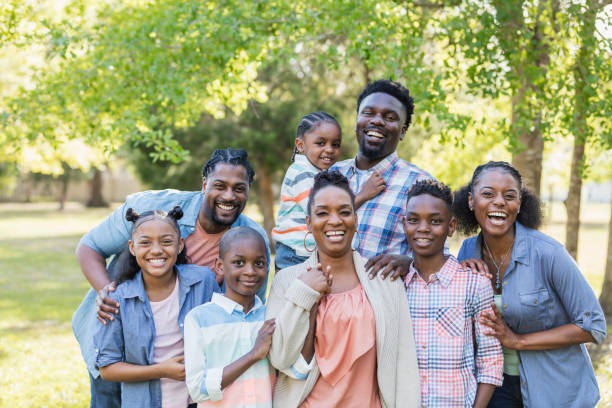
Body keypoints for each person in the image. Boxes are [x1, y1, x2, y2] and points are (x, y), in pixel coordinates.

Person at [72, 148, 271, 408]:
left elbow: (248, 306)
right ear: (204, 185)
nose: (228, 196)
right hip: (125, 337)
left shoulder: (251, 240)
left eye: (239, 188)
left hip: (183, 359)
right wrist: (106, 293)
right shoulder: (152, 208)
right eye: (219, 186)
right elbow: (89, 247)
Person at [454, 161, 606, 408]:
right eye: (488, 194)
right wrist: (458, 274)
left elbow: (594, 326)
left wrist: (518, 341)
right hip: (495, 386)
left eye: (509, 195)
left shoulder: (548, 253)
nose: (500, 201)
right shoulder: (467, 251)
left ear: (520, 203)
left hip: (556, 389)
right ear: (471, 201)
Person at [266, 170, 420, 407]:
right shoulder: (286, 281)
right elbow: (280, 358)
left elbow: (404, 365)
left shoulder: (384, 281)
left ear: (356, 220)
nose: (335, 220)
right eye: (322, 213)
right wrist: (304, 295)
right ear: (308, 223)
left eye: (344, 212)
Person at [94, 206, 220, 408]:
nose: (156, 250)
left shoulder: (203, 281)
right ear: (132, 247)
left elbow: (223, 333)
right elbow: (107, 368)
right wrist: (162, 370)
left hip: (199, 401)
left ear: (179, 245)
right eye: (145, 243)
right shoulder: (118, 299)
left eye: (166, 241)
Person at [402, 179, 503, 407]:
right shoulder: (397, 286)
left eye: (435, 221)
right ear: (404, 224)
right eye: (413, 220)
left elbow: (491, 359)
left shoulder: (474, 284)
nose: (423, 228)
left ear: (451, 226)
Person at [331, 79, 434, 277]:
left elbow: (440, 257)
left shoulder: (421, 186)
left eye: (389, 117)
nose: (377, 121)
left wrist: (412, 265)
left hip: (383, 303)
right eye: (368, 113)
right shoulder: (332, 174)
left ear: (402, 131)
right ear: (357, 120)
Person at [272, 111, 384, 271]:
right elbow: (320, 209)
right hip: (294, 254)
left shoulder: (317, 172)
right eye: (320, 143)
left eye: (335, 144)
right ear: (300, 145)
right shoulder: (301, 173)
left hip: (307, 252)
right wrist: (364, 194)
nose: (329, 149)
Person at [184, 226, 276, 407]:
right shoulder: (198, 320)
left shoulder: (271, 316)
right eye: (239, 263)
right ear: (220, 266)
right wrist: (253, 355)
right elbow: (197, 390)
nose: (250, 271)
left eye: (259, 263)